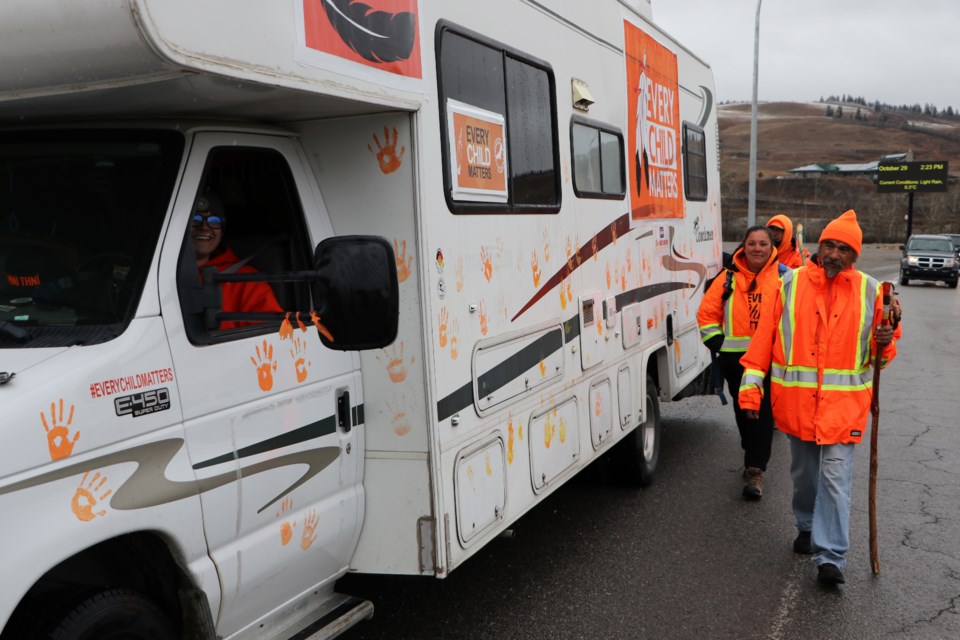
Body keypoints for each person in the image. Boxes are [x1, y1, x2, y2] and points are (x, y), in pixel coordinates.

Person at [739, 209, 902, 585]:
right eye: (829, 244)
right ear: (818, 245)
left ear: (854, 256)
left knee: (835, 477)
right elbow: (762, 341)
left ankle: (831, 558)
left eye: (843, 248)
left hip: (845, 410)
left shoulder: (871, 291)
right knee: (805, 475)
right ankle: (807, 525)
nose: (833, 253)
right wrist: (751, 391)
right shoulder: (789, 284)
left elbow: (880, 358)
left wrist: (886, 340)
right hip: (797, 407)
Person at [697, 226, 783, 500]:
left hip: (771, 361)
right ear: (743, 247)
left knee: (762, 413)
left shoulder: (785, 279)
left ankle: (755, 471)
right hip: (736, 361)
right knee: (743, 411)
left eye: (763, 244)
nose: (757, 248)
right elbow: (707, 314)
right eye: (752, 243)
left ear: (772, 248)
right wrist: (717, 343)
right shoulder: (727, 278)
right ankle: (751, 449)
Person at [192, 190, 282, 329]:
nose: (204, 227)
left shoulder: (246, 280)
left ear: (222, 231)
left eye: (214, 221)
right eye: (195, 220)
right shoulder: (157, 274)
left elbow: (272, 339)